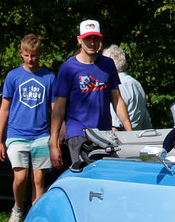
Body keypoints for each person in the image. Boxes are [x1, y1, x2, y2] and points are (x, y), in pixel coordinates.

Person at [50, 19, 132, 168]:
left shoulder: (108, 64)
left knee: (104, 177)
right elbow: (59, 108)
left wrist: (130, 132)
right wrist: (53, 143)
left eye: (95, 38)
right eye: (88, 38)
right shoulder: (68, 68)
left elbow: (117, 100)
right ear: (79, 40)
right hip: (78, 134)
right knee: (84, 177)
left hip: (104, 134)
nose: (92, 43)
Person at [0, 34, 55, 222]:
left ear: (41, 54)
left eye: (34, 56)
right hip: (17, 133)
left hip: (40, 134)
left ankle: (34, 219)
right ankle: (18, 207)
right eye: (27, 55)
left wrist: (56, 135)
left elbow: (55, 109)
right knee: (20, 178)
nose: (31, 60)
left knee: (38, 180)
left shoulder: (49, 77)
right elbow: (4, 109)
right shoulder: (13, 76)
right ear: (21, 53)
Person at [102, 44, 152, 130]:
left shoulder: (117, 86)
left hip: (122, 138)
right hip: (137, 136)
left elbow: (115, 124)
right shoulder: (136, 84)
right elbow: (145, 119)